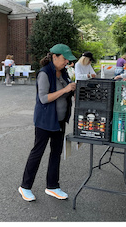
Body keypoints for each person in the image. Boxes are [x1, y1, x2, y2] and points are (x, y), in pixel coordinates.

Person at [19, 44, 77, 202]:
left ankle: (52, 186)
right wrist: (65, 90)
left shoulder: (64, 72)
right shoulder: (44, 73)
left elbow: (68, 92)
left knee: (56, 153)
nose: (66, 62)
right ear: (54, 57)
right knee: (37, 152)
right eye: (64, 59)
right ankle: (25, 186)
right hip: (45, 120)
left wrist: (73, 90)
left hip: (60, 120)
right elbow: (44, 98)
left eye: (67, 60)